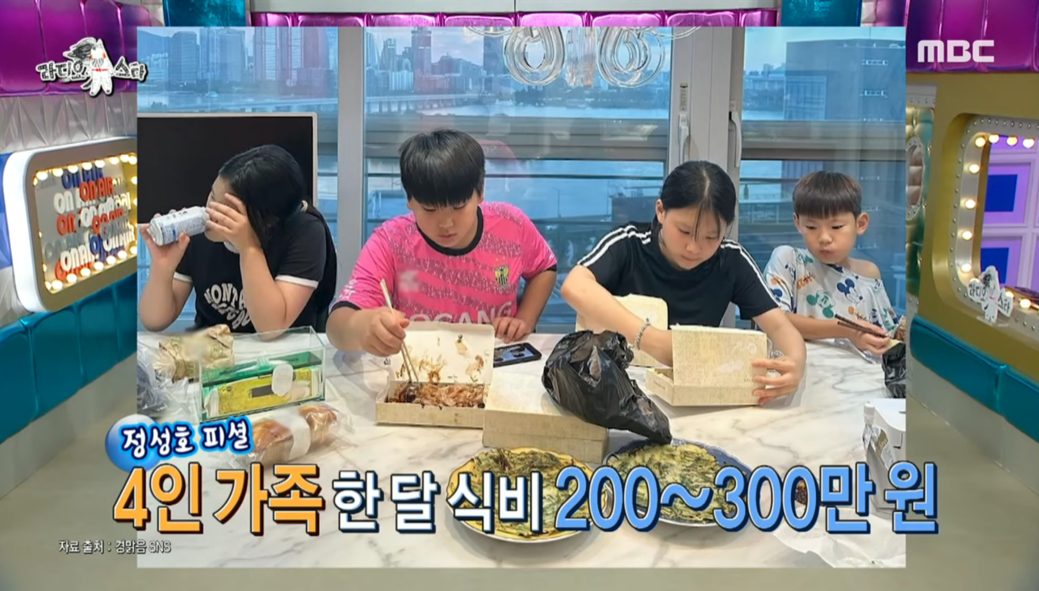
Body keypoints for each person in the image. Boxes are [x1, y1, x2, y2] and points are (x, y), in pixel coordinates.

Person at [560, 160, 806, 403]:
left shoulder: (731, 260)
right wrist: (653, 340)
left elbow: (780, 327)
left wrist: (795, 363)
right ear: (661, 211)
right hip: (619, 390)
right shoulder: (630, 243)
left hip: (694, 395)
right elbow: (575, 286)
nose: (694, 247)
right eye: (684, 231)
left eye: (711, 236)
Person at [327, 129, 558, 357]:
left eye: (459, 207)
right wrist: (362, 327)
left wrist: (525, 319)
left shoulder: (510, 225)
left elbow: (544, 267)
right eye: (429, 209)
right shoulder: (391, 241)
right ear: (410, 200)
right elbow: (337, 325)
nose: (446, 224)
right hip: (423, 364)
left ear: (480, 192)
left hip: (496, 360)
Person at [139, 144, 337, 334]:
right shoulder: (199, 231)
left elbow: (271, 328)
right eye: (212, 196)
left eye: (225, 210)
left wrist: (249, 248)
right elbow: (154, 320)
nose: (209, 211)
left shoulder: (306, 232)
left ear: (264, 220)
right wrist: (163, 267)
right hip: (212, 349)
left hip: (283, 353)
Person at [763, 171, 902, 356]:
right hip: (799, 368)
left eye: (836, 227)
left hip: (858, 371)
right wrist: (845, 329)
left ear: (860, 224)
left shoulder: (869, 274)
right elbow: (774, 320)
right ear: (797, 222)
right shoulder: (788, 260)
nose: (824, 238)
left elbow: (887, 335)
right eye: (811, 227)